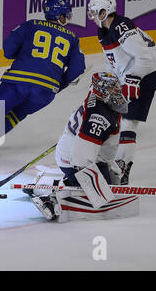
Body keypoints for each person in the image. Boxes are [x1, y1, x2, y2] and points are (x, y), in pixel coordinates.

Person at [0, 0, 86, 158]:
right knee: (17, 114)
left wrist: (23, 57)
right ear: (58, 15)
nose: (66, 19)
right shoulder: (72, 38)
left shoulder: (30, 25)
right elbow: (77, 69)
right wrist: (60, 84)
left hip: (18, 80)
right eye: (65, 15)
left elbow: (8, 49)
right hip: (46, 91)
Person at [87, 0, 156, 184]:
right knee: (113, 118)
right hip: (134, 76)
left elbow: (145, 58)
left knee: (128, 122)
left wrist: (132, 79)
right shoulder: (104, 31)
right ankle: (108, 163)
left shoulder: (121, 25)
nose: (94, 16)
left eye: (97, 12)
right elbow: (113, 62)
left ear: (106, 11)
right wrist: (110, 81)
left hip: (146, 75)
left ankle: (121, 169)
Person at [30, 72, 129, 221]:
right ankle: (50, 198)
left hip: (89, 153)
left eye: (116, 86)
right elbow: (82, 156)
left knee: (111, 190)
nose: (117, 90)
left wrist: (111, 167)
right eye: (112, 88)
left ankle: (50, 181)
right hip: (73, 158)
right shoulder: (98, 115)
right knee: (102, 201)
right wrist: (92, 186)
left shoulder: (104, 101)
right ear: (102, 90)